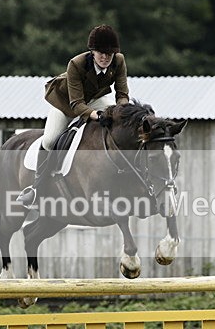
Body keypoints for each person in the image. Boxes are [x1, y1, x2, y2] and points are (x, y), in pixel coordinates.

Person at [17, 24, 130, 207]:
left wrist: (122, 113)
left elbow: (122, 95)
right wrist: (95, 115)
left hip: (95, 99)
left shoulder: (119, 61)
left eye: (108, 54)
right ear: (92, 52)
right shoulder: (76, 64)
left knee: (119, 121)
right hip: (66, 103)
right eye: (100, 53)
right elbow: (76, 104)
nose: (105, 57)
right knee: (50, 140)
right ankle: (37, 188)